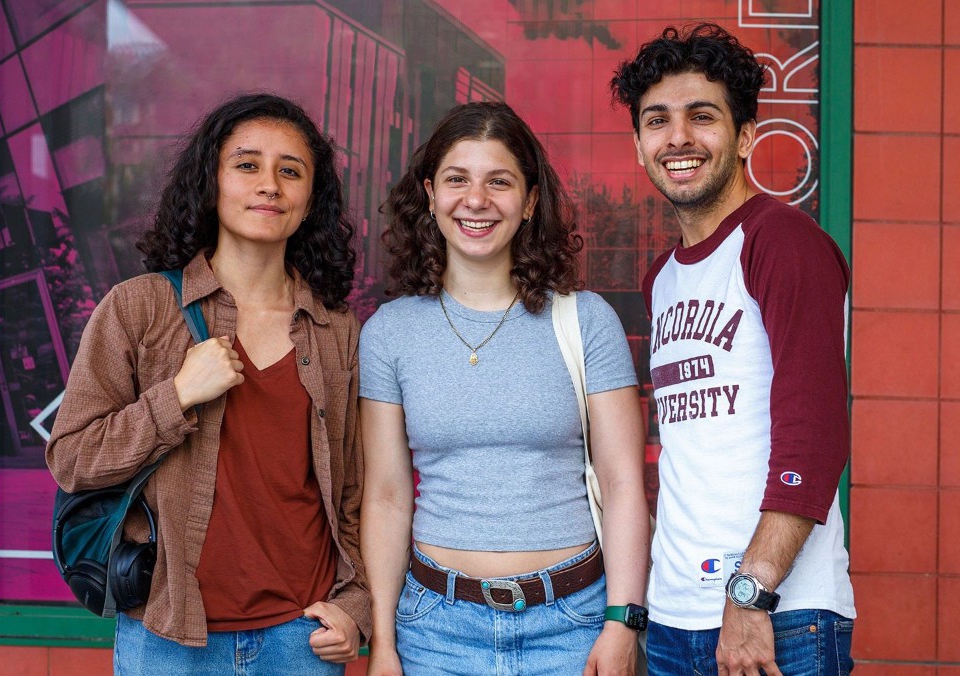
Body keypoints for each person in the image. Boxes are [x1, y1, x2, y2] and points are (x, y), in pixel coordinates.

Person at [46, 93, 369, 674]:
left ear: (309, 198)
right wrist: (176, 397)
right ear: (211, 181)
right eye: (246, 165)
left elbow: (354, 492)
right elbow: (72, 458)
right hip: (169, 635)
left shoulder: (334, 328)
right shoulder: (138, 308)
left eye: (289, 171)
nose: (268, 184)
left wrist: (356, 607)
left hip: (302, 637)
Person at [358, 101, 651, 676]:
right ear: (430, 194)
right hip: (435, 629)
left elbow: (621, 482)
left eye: (500, 181)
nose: (476, 200)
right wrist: (385, 643)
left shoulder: (586, 321)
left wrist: (621, 620)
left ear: (530, 200)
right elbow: (388, 494)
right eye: (457, 180)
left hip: (573, 625)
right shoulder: (389, 332)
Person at [609, 23, 855, 675]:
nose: (678, 138)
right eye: (657, 121)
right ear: (639, 146)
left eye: (702, 116)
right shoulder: (661, 278)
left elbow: (816, 436)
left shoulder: (783, 242)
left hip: (781, 616)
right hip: (674, 618)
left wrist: (752, 593)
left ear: (745, 135)